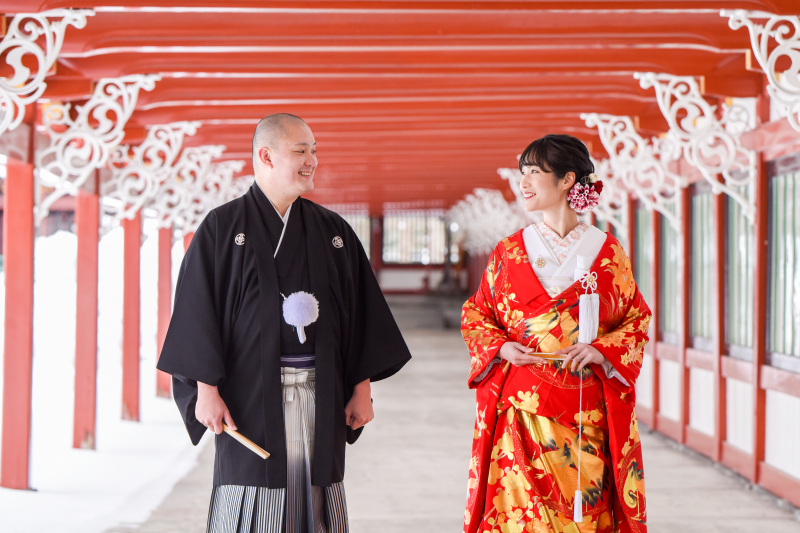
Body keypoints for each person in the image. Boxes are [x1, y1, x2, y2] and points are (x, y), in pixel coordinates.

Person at [157, 113, 412, 533]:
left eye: (314, 151)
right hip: (248, 396)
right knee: (252, 491)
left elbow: (360, 315)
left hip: (322, 389)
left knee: (314, 495)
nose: (312, 160)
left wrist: (361, 389)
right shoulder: (222, 227)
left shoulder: (333, 231)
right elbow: (197, 314)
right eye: (301, 151)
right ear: (266, 155)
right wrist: (206, 390)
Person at [461, 134, 651, 533]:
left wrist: (601, 350)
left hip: (584, 407)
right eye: (522, 173)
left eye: (534, 172)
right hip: (521, 405)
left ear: (568, 180)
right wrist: (501, 347)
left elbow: (635, 320)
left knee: (581, 513)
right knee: (520, 514)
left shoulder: (607, 250)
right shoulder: (510, 250)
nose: (524, 182)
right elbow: (477, 312)